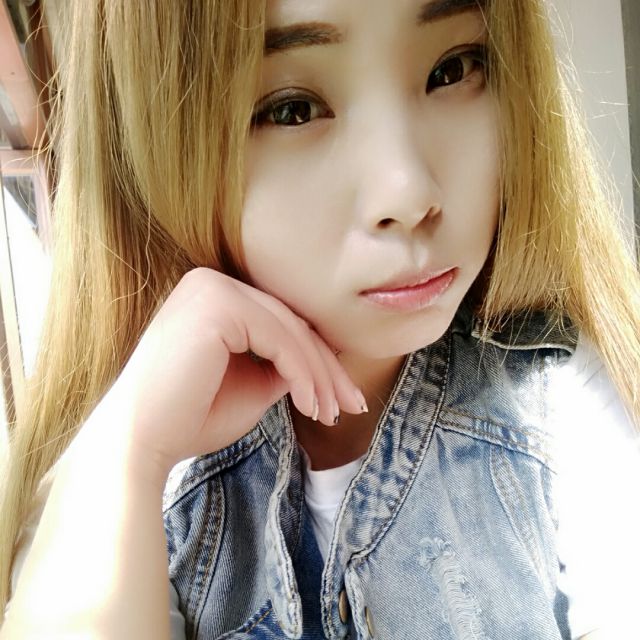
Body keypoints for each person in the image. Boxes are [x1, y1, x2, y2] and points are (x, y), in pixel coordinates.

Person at [0, 0, 639, 638]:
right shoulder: (122, 482)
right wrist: (131, 454)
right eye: (293, 110)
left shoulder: (562, 405)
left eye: (451, 69)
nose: (409, 192)